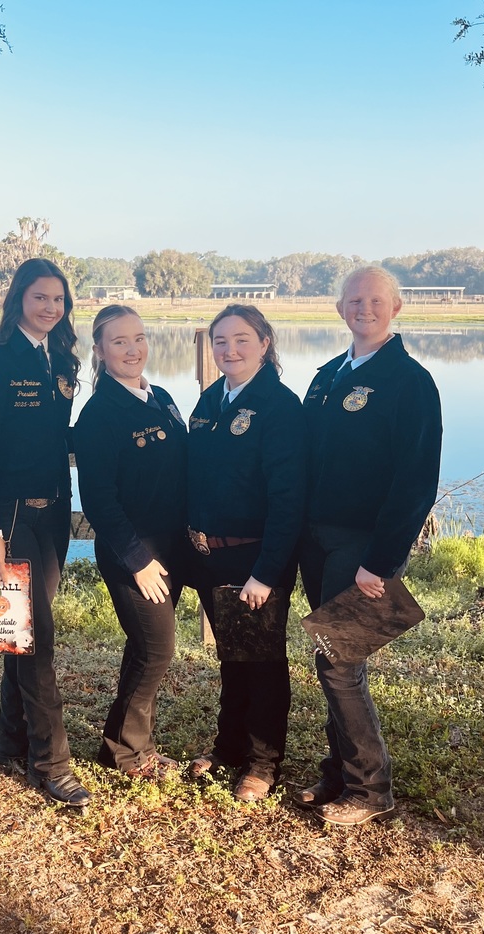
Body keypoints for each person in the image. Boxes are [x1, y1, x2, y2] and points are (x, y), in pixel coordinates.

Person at [298, 265, 442, 826]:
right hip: (317, 540)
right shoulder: (329, 374)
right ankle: (338, 771)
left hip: (364, 548)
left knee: (339, 662)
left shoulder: (411, 382)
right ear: (340, 309)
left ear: (396, 307)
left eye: (376, 300)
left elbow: (415, 483)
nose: (365, 307)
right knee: (331, 656)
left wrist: (380, 561)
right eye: (354, 300)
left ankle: (370, 788)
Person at [0, 257, 90, 809]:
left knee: (21, 629)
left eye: (59, 300)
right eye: (41, 297)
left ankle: (10, 739)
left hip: (55, 513)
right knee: (36, 636)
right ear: (19, 299)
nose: (51, 308)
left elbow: (59, 438)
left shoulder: (60, 359)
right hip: (11, 517)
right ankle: (51, 763)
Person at [186, 304, 307, 802]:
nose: (229, 350)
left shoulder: (280, 407)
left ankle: (262, 762)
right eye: (220, 341)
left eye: (241, 339)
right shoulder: (213, 399)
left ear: (264, 343)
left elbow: (289, 500)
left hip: (258, 557)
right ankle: (228, 747)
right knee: (232, 658)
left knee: (262, 661)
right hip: (212, 556)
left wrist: (266, 572)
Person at [73, 305, 189, 779]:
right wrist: (138, 559)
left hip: (173, 547)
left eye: (139, 338)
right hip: (134, 553)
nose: (132, 349)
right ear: (99, 350)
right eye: (119, 342)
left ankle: (123, 744)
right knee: (157, 649)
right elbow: (99, 501)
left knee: (144, 648)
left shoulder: (159, 396)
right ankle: (127, 754)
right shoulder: (99, 413)